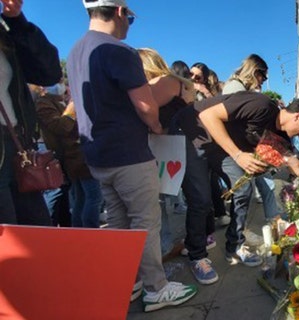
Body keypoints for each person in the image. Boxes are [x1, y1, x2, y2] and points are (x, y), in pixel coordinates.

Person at [67, 0, 197, 311]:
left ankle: (128, 281)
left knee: (118, 222)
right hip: (129, 152)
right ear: (121, 12)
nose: (129, 25)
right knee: (145, 220)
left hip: (97, 155)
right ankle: (156, 288)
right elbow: (146, 106)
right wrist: (156, 126)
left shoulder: (74, 53)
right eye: (131, 18)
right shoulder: (118, 50)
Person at [197, 92, 299, 267]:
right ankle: (197, 254)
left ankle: (233, 245)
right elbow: (207, 115)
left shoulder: (283, 138)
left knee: (242, 188)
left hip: (220, 148)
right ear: (297, 116)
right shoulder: (261, 105)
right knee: (201, 200)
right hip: (198, 135)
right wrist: (238, 155)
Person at [137, 48, 218, 285]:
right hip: (165, 149)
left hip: (178, 147)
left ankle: (196, 253)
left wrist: (156, 128)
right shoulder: (175, 84)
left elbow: (146, 110)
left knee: (198, 200)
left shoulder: (169, 82)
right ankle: (190, 251)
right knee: (178, 204)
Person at [0, 0, 62, 225]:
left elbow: (49, 72)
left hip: (17, 147)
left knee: (37, 231)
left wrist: (16, 19)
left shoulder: (5, 31)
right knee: (9, 242)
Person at [222, 53, 282, 222]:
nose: (264, 79)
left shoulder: (240, 88)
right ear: (255, 71)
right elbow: (236, 123)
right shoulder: (234, 88)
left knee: (262, 185)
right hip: (239, 150)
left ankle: (273, 219)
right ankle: (237, 238)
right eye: (263, 75)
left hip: (246, 148)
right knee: (243, 193)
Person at [36, 83, 103, 228]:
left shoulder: (60, 101)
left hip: (77, 156)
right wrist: (71, 110)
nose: (61, 85)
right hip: (75, 157)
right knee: (93, 197)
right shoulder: (44, 103)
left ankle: (79, 230)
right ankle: (89, 231)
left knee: (82, 198)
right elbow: (60, 127)